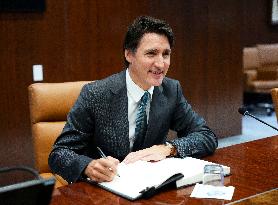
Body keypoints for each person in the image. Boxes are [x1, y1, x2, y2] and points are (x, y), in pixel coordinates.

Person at [48, 16, 217, 184]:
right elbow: (60, 153)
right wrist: (88, 166)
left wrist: (168, 148)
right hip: (106, 188)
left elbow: (206, 135)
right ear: (129, 54)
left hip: (150, 187)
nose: (161, 64)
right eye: (151, 53)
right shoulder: (95, 94)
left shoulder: (171, 90)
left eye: (166, 54)